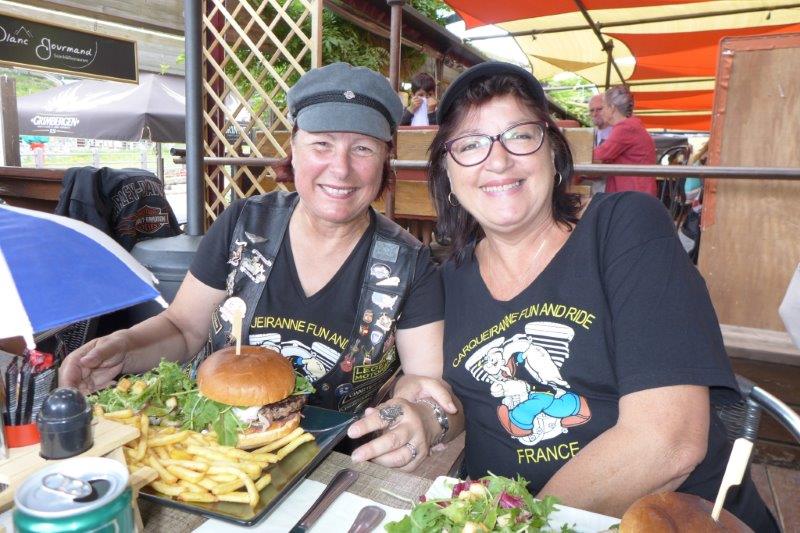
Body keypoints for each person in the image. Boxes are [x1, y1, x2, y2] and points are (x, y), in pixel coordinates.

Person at [349, 61, 777, 531]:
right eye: (470, 145)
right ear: (447, 175)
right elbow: (461, 401)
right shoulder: (447, 280)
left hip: (672, 520)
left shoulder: (624, 229)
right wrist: (426, 419)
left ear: (553, 153)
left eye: (520, 135)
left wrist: (519, 523)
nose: (497, 160)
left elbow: (668, 442)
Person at [59, 62, 450, 467]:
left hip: (335, 464)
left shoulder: (410, 264)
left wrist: (420, 413)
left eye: (363, 148)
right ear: (293, 149)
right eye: (322, 144)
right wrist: (122, 349)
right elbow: (184, 328)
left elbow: (422, 380)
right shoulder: (244, 225)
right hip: (212, 452)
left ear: (386, 158)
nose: (341, 167)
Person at [593, 85, 658, 196]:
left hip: (633, 195)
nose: (601, 113)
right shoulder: (632, 125)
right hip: (637, 192)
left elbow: (599, 155)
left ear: (612, 108)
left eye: (603, 108)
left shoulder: (625, 127)